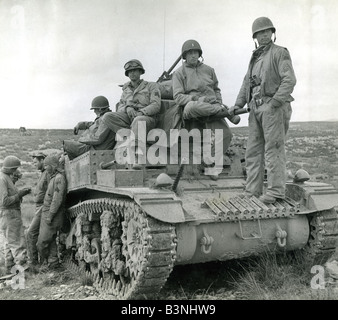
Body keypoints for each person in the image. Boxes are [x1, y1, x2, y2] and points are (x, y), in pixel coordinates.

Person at [229, 17, 296, 204]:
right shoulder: (255, 58)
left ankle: (275, 192)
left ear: (272, 33)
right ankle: (252, 190)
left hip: (273, 107)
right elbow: (246, 84)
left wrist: (274, 103)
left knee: (273, 149)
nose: (264, 35)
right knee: (252, 151)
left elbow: (289, 80)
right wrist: (238, 104)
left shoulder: (279, 53)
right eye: (260, 32)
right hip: (255, 109)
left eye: (267, 31)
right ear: (255, 37)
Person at [172, 39, 233, 180]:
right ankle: (225, 111)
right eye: (190, 53)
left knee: (226, 134)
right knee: (193, 106)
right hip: (191, 109)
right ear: (185, 56)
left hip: (211, 109)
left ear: (199, 54)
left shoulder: (209, 70)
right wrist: (200, 100)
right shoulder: (179, 73)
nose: (193, 55)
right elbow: (178, 97)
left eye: (196, 52)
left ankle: (209, 163)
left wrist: (218, 102)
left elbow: (216, 89)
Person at [102, 59, 161, 167]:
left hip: (148, 119)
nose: (132, 73)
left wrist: (141, 112)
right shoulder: (126, 90)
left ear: (140, 72)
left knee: (138, 121)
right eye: (130, 71)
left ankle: (136, 157)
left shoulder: (151, 86)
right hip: (130, 118)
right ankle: (130, 135)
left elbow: (156, 105)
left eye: (135, 70)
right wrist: (128, 108)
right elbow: (120, 107)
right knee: (107, 117)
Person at [0, 156, 31, 273]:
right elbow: (4, 201)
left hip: (7, 214)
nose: (16, 171)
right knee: (17, 241)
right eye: (15, 168)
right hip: (10, 214)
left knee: (9, 242)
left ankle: (10, 268)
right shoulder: (2, 179)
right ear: (10, 168)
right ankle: (23, 269)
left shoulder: (6, 178)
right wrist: (20, 195)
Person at [36, 155, 67, 270]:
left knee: (42, 242)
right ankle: (53, 263)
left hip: (52, 216)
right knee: (52, 240)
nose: (45, 168)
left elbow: (56, 199)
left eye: (46, 166)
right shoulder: (54, 178)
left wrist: (50, 216)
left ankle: (44, 263)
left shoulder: (59, 178)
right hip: (48, 214)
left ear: (53, 166)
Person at [63, 96, 116, 160]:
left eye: (94, 109)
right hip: (93, 146)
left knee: (67, 145)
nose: (94, 111)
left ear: (100, 109)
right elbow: (93, 124)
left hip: (95, 149)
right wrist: (80, 125)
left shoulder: (107, 118)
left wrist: (81, 140)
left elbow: (97, 139)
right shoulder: (103, 117)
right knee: (68, 146)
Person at [26, 151, 49, 270]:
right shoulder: (43, 173)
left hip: (43, 207)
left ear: (42, 161)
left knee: (30, 233)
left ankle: (33, 263)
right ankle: (39, 262)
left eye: (35, 162)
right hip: (39, 206)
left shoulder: (47, 174)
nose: (34, 164)